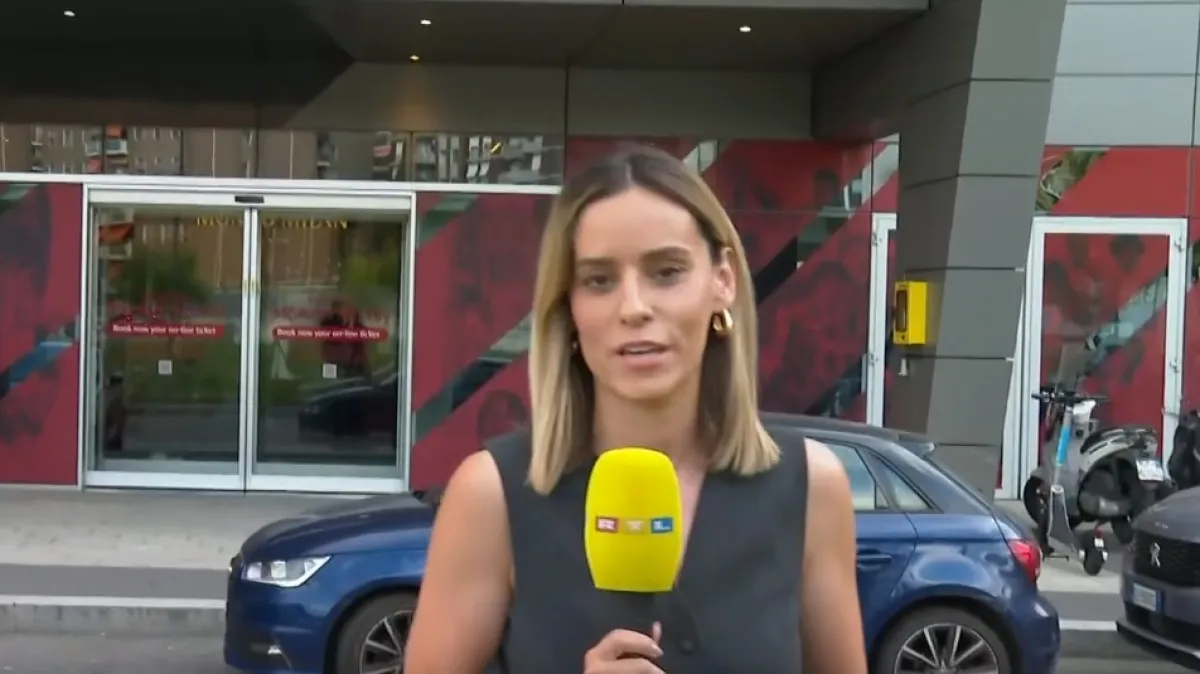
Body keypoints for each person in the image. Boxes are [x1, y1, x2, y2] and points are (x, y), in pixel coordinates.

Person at [405, 146, 867, 674]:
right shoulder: (491, 494)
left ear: (723, 281)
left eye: (666, 272)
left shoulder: (812, 487)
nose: (633, 308)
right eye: (599, 280)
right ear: (568, 306)